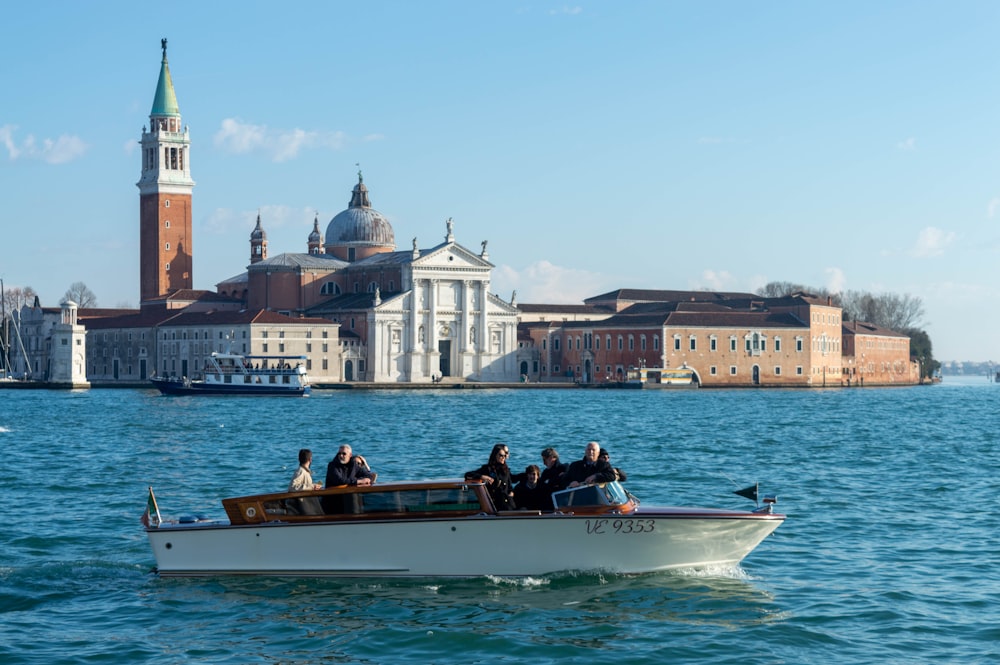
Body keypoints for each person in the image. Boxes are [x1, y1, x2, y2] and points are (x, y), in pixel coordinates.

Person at [465, 443, 516, 510]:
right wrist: (482, 476)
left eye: (504, 455)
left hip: (508, 505)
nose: (503, 457)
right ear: (495, 456)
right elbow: (468, 475)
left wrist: (511, 494)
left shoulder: (505, 470)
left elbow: (509, 486)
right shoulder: (487, 469)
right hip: (494, 506)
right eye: (501, 455)